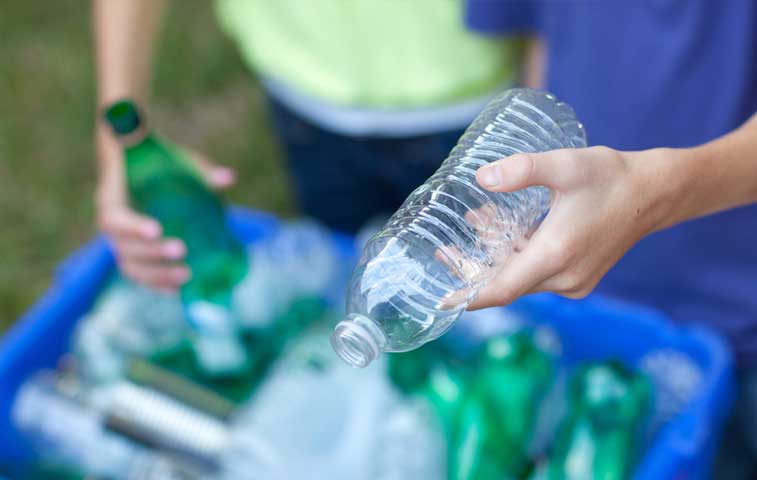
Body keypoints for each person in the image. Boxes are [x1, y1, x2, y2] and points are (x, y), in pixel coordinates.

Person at [463, 1, 757, 477]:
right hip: (594, 286)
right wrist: (536, 181)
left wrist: (656, 196)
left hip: (741, 299)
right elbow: (549, 32)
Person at [93, 0, 520, 292]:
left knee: (487, 293)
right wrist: (124, 146)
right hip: (301, 96)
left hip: (469, 106)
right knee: (351, 278)